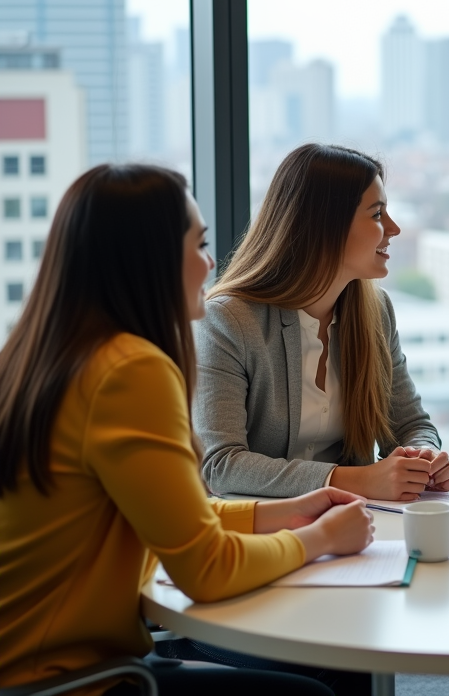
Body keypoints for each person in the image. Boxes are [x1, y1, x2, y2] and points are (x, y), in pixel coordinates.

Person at [0, 164, 374, 696]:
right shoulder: (129, 371)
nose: (209, 265)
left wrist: (280, 512)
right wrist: (318, 538)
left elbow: (160, 510)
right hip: (71, 681)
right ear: (148, 259)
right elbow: (207, 568)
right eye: (199, 245)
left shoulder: (40, 358)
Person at [194, 143, 449, 501]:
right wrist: (357, 480)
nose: (393, 228)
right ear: (326, 224)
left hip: (356, 524)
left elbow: (410, 425)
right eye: (377, 214)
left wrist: (422, 456)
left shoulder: (375, 311)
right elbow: (222, 464)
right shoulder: (228, 321)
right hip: (258, 532)